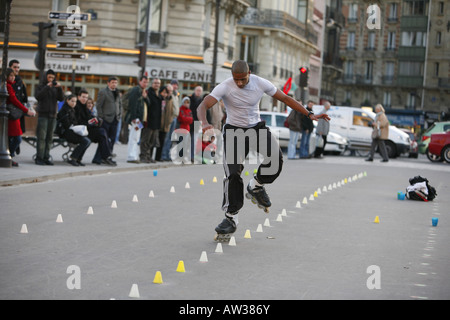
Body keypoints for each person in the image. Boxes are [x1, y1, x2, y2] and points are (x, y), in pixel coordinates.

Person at [196, 60, 330, 240]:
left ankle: (256, 186)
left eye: (243, 79)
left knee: (276, 159)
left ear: (249, 73)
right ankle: (231, 217)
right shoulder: (225, 87)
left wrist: (309, 114)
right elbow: (203, 105)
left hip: (256, 129)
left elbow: (285, 99)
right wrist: (204, 123)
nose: (240, 83)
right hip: (234, 131)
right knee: (233, 174)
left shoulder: (260, 83)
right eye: (237, 80)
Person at [75, 89, 116, 166]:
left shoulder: (84, 107)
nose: (85, 99)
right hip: (80, 130)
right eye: (83, 97)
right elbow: (78, 121)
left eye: (86, 97)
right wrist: (91, 123)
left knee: (103, 136)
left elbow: (90, 117)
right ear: (79, 97)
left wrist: (96, 120)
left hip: (88, 129)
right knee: (102, 133)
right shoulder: (77, 106)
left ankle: (102, 157)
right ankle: (106, 156)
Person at [5, 68, 36, 167]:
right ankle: (9, 156)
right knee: (16, 138)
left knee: (12, 138)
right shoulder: (8, 86)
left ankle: (9, 156)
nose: (13, 77)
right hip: (11, 115)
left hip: (12, 114)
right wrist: (26, 110)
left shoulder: (13, 84)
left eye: (13, 75)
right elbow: (14, 100)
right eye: (10, 75)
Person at [34, 69, 64, 165]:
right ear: (45, 77)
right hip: (43, 114)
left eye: (52, 77)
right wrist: (47, 87)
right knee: (41, 137)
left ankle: (46, 157)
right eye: (49, 77)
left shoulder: (55, 88)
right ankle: (39, 157)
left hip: (53, 115)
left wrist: (59, 88)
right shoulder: (41, 86)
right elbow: (38, 96)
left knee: (49, 138)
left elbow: (61, 98)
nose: (51, 79)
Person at [56, 94, 91, 166]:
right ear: (67, 100)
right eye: (72, 101)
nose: (74, 103)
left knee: (88, 141)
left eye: (75, 102)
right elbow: (66, 124)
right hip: (65, 132)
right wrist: (74, 126)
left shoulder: (72, 109)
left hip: (72, 131)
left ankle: (78, 159)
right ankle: (73, 158)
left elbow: (76, 121)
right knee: (85, 141)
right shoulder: (64, 110)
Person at [95, 76, 122, 160]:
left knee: (112, 140)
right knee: (104, 140)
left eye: (116, 83)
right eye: (113, 82)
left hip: (115, 119)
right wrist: (101, 117)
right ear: (108, 83)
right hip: (106, 119)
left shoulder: (118, 93)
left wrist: (119, 115)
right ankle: (99, 158)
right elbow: (98, 105)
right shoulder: (103, 92)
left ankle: (108, 157)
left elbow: (120, 105)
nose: (114, 84)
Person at [125, 75, 149, 163]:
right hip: (136, 119)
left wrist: (145, 97)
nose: (145, 84)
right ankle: (131, 156)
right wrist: (134, 117)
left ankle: (134, 155)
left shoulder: (143, 91)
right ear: (140, 82)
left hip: (140, 119)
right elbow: (133, 104)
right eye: (144, 82)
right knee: (133, 137)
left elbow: (148, 103)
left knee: (136, 137)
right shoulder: (136, 90)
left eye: (147, 82)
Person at [140, 78, 162, 163]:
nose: (157, 85)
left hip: (156, 122)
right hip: (148, 121)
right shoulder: (148, 92)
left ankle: (148, 156)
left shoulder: (159, 95)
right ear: (152, 84)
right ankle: (143, 156)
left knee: (152, 141)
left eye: (158, 83)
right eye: (155, 83)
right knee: (145, 140)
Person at [8, 59, 28, 137]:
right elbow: (13, 99)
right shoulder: (5, 82)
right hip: (10, 112)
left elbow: (24, 98)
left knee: (18, 136)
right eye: (14, 67)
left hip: (18, 112)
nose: (16, 69)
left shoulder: (20, 81)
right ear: (10, 68)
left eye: (18, 67)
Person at [161, 82, 180, 161]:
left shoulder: (176, 96)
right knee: (166, 138)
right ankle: (164, 155)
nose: (175, 87)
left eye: (176, 86)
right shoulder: (168, 97)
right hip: (169, 118)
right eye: (172, 87)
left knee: (170, 139)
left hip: (174, 118)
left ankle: (167, 154)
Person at [156, 84, 174, 161]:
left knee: (162, 141)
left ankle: (159, 157)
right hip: (159, 123)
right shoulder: (161, 100)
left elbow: (171, 111)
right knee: (156, 141)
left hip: (166, 124)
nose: (166, 94)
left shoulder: (170, 100)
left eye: (168, 92)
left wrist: (169, 120)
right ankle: (155, 156)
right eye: (166, 92)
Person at [189, 86, 204, 161]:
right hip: (189, 122)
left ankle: (193, 156)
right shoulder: (190, 99)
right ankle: (187, 156)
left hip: (198, 122)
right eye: (197, 90)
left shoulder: (202, 101)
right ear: (194, 91)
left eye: (200, 91)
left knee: (195, 141)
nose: (198, 92)